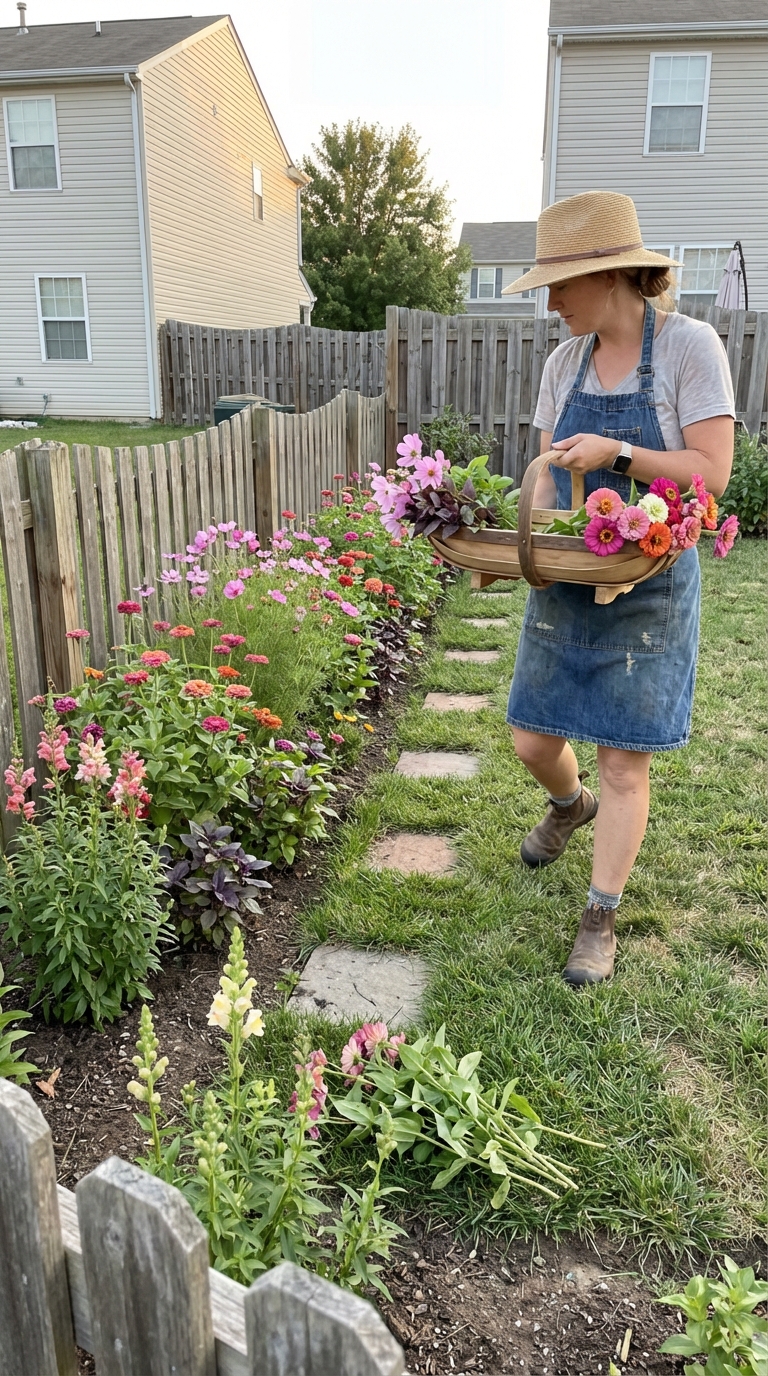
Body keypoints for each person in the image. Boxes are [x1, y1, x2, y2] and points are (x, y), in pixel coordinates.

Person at [501, 191, 735, 987]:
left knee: (623, 765)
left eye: (559, 285)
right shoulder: (562, 363)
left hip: (651, 575)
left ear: (609, 276)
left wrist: (622, 452)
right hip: (570, 571)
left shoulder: (689, 349)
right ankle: (569, 808)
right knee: (532, 737)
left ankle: (599, 915)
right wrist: (514, 541)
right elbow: (541, 479)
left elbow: (712, 474)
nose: (552, 301)